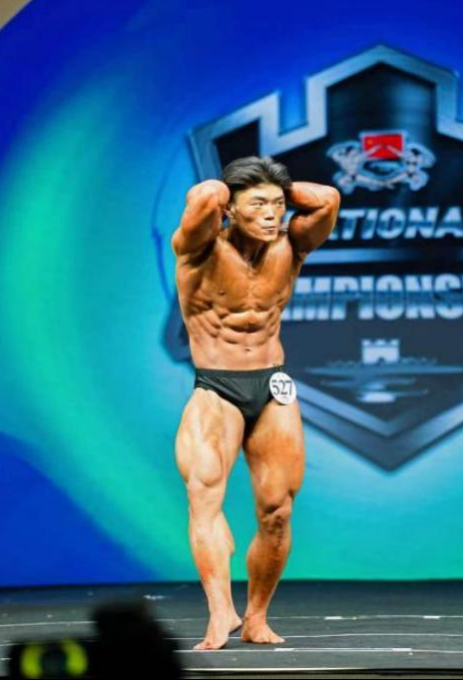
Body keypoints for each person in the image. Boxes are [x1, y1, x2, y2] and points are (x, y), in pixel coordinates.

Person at [171, 156, 341, 651]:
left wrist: (274, 186)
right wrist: (232, 191)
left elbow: (328, 199)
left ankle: (256, 617)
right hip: (216, 388)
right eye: (259, 205)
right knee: (205, 498)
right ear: (230, 209)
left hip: (272, 386)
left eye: (278, 205)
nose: (272, 214)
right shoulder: (198, 249)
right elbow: (205, 194)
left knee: (277, 512)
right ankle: (219, 611)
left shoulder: (292, 245)